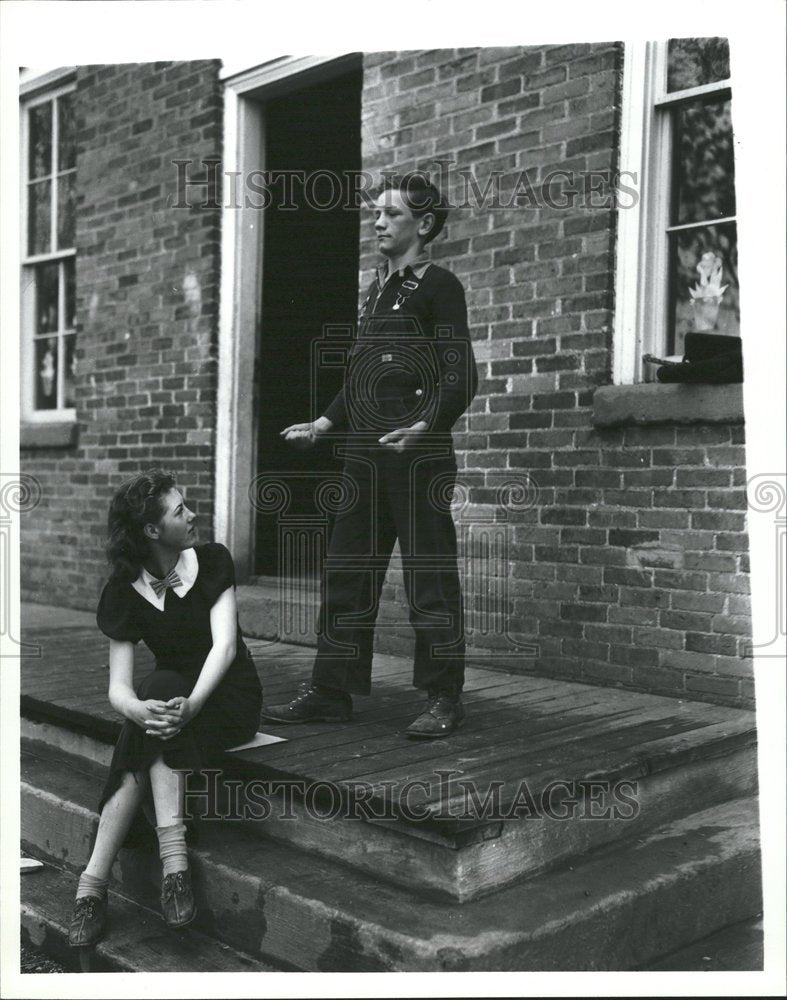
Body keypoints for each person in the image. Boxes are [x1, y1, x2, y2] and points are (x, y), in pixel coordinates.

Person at [261, 173, 477, 738]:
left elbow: (461, 376)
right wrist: (324, 422)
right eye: (375, 213)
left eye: (391, 214)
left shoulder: (439, 287)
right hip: (363, 455)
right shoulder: (377, 290)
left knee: (429, 577)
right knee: (346, 572)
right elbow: (360, 374)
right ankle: (331, 690)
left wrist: (425, 427)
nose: (377, 222)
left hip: (418, 456)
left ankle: (443, 696)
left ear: (424, 225)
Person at [68, 469, 262, 947]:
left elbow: (226, 649)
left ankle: (91, 887)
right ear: (152, 531)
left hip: (226, 698)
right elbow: (118, 687)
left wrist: (192, 705)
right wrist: (136, 709)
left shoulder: (213, 562)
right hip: (172, 702)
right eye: (180, 510)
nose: (192, 514)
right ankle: (172, 867)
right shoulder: (123, 590)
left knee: (160, 697)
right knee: (153, 699)